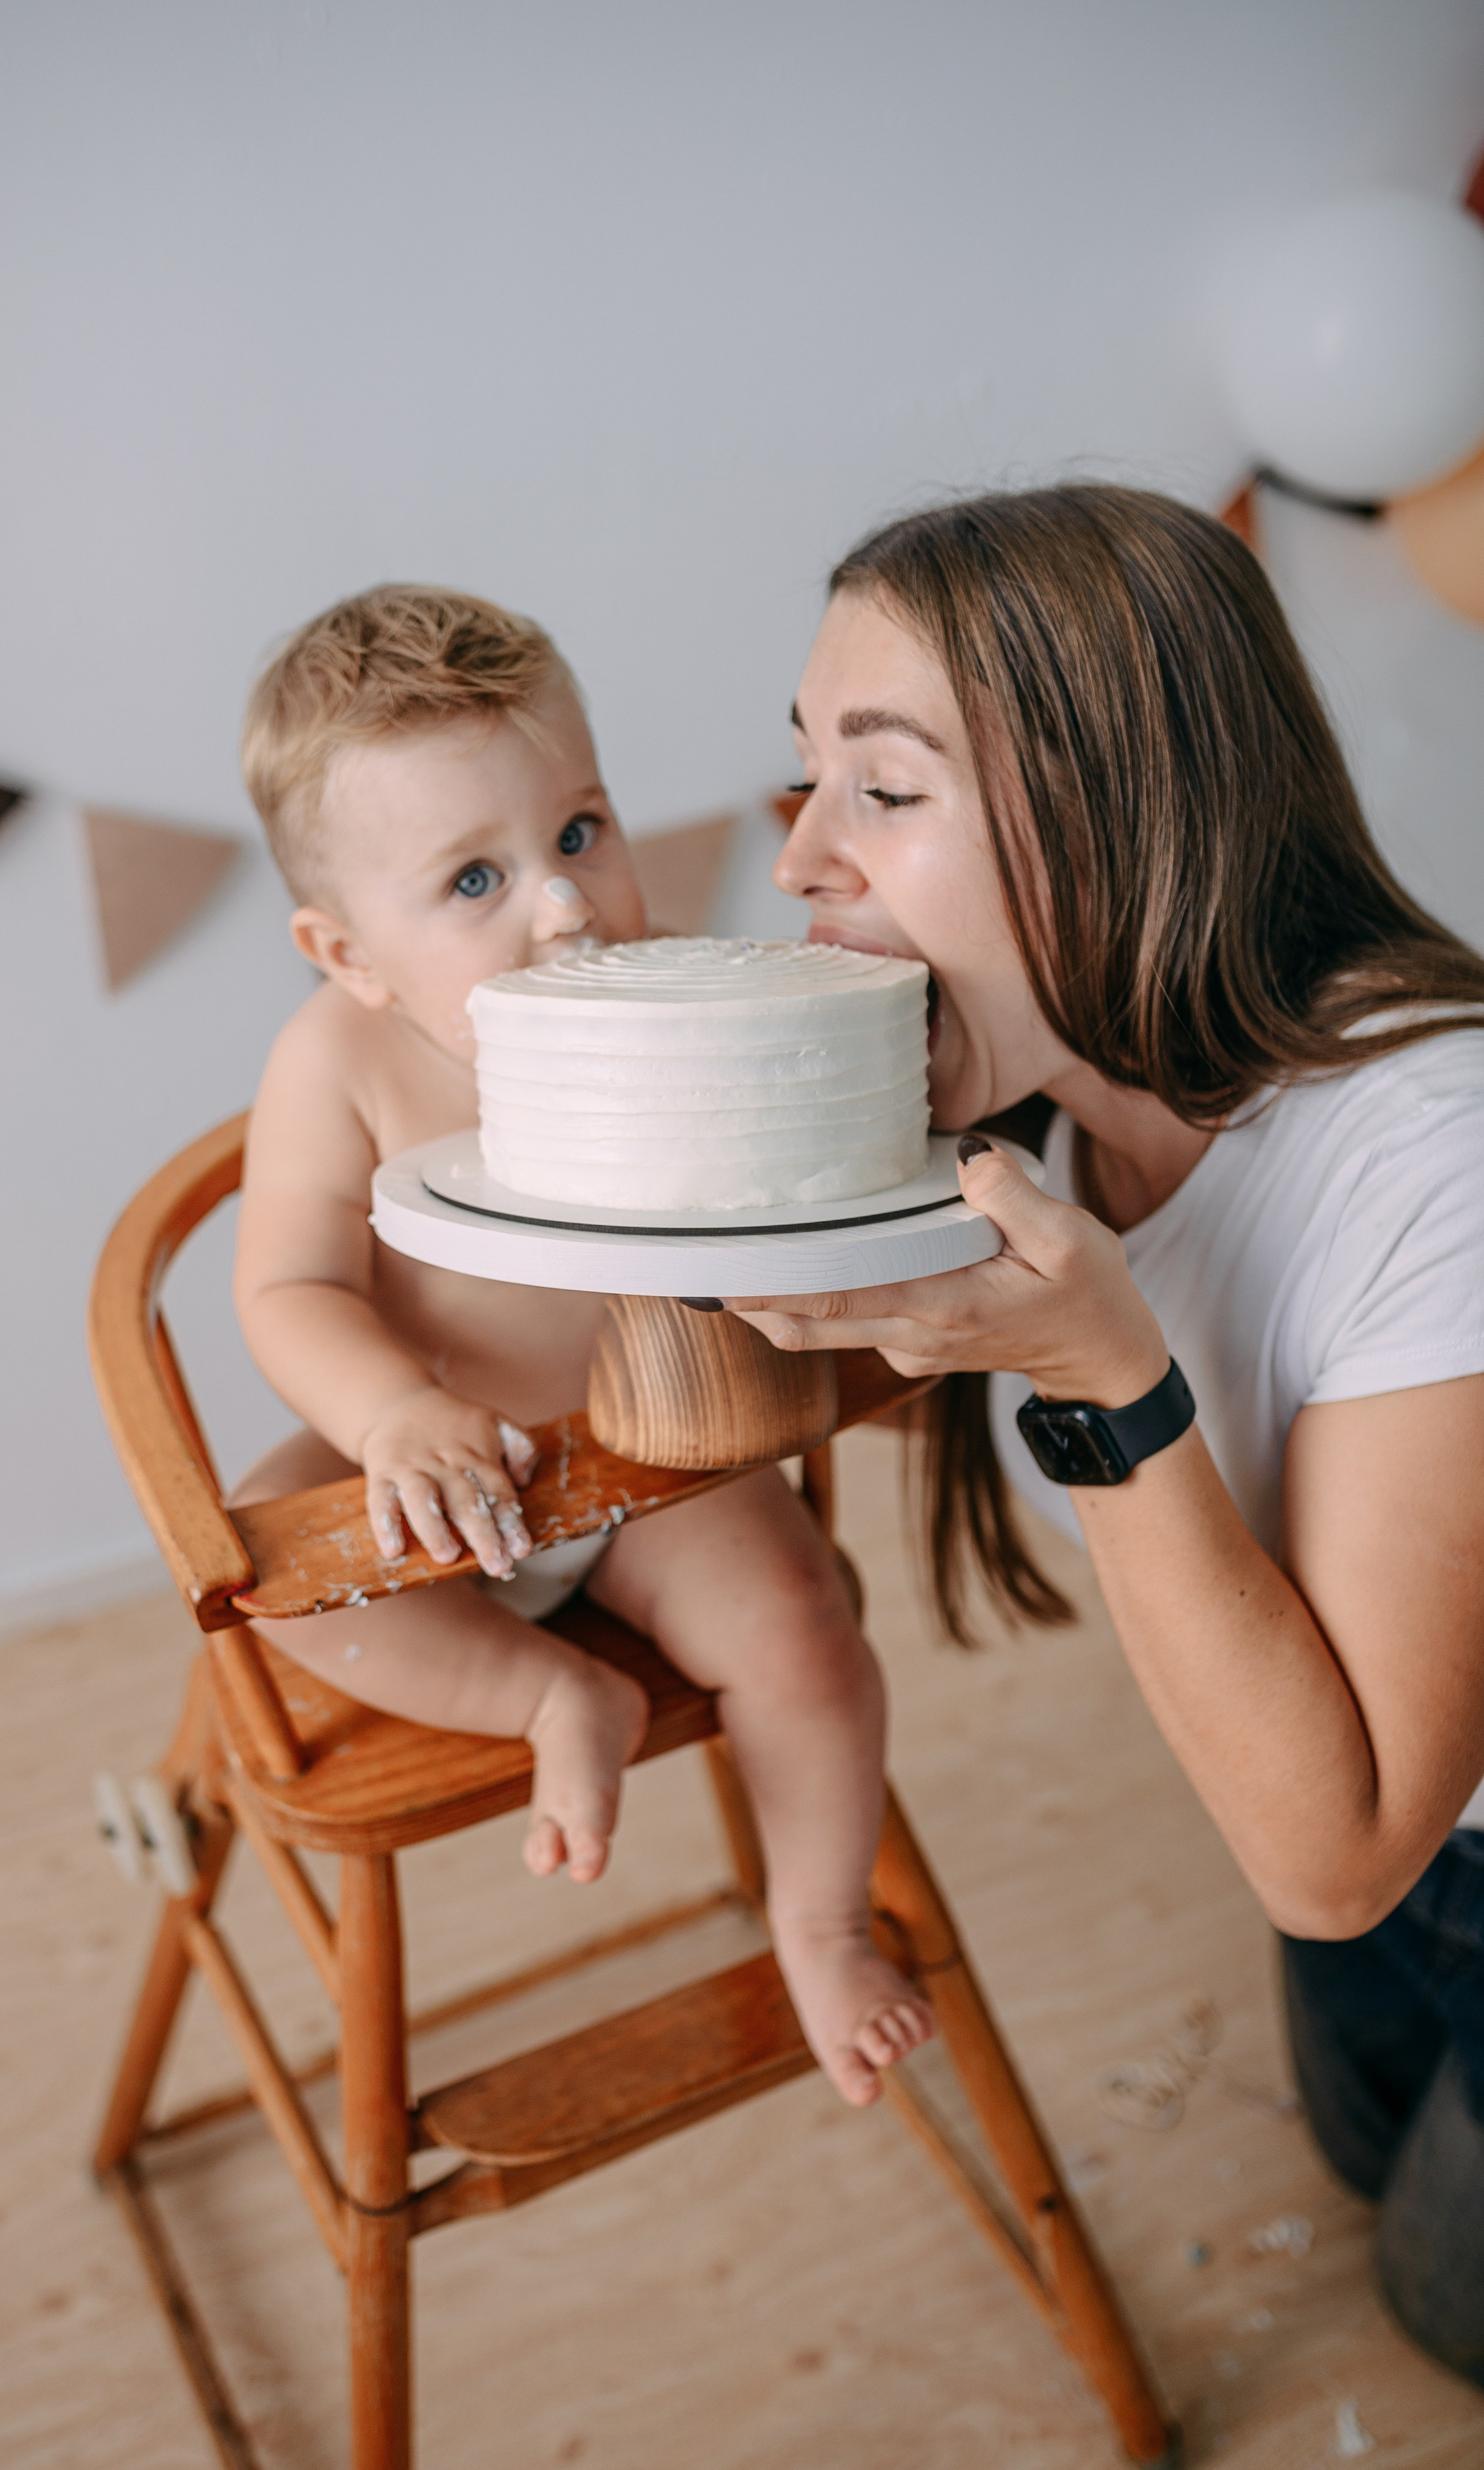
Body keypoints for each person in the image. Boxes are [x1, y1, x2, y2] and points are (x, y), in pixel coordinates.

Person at [725, 485, 1484, 2382]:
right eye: (805, 775)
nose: (802, 852)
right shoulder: (1052, 1125)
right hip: (1399, 1849)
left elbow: (1338, 1854)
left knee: (1435, 2300)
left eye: (884, 790)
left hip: (1400, 1836)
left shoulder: (1440, 1150)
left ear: (1123, 813)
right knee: (1371, 2155)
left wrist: (1104, 1379)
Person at [228, 583, 933, 2105]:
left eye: (576, 834)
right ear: (346, 951)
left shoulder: (660, 1000)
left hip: (637, 1450)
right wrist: (391, 1413)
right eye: (472, 880)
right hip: (445, 1469)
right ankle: (550, 1696)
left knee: (805, 1630)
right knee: (273, 1572)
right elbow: (287, 1289)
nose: (562, 908)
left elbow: (753, 1191)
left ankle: (817, 1920)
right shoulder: (337, 1060)